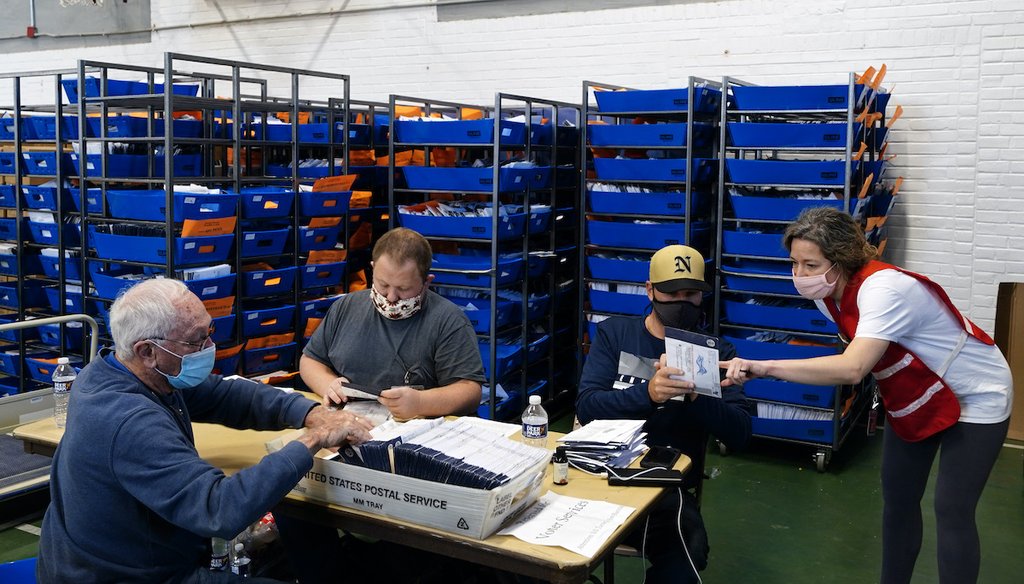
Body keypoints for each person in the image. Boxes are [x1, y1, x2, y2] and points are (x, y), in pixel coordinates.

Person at [720, 206, 1013, 584]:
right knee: (898, 501)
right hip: (917, 390)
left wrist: (764, 366)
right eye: (794, 263)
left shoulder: (884, 289)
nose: (799, 275)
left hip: (977, 390)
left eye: (811, 265)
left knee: (952, 509)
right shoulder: (829, 293)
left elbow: (852, 367)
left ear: (840, 260)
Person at [36, 278, 373, 584]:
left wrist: (309, 412)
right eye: (197, 340)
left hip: (133, 556)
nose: (209, 346)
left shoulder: (122, 371)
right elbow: (218, 509)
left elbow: (221, 394)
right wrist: (313, 440)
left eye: (209, 331)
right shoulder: (128, 420)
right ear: (147, 351)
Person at [576, 244, 752, 584]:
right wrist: (649, 394)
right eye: (671, 293)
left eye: (691, 294)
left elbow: (740, 433)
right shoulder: (616, 334)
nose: (682, 302)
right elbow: (588, 406)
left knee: (689, 552)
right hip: (597, 478)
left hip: (664, 492)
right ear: (650, 290)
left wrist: (697, 393)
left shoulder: (717, 353)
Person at [300, 227, 485, 419]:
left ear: (426, 282)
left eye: (403, 289)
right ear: (373, 268)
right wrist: (329, 385)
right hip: (349, 422)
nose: (391, 297)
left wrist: (421, 403)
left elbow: (470, 391)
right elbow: (311, 360)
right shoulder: (345, 307)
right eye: (383, 285)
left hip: (416, 431)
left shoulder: (448, 320)